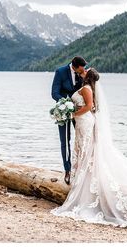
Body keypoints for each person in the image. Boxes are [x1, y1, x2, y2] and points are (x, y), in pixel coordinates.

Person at [51, 68, 127, 228]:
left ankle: (82, 185)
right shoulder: (86, 87)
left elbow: (89, 106)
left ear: (88, 76)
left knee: (85, 150)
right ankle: (80, 180)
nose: (82, 72)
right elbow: (90, 106)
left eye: (85, 71)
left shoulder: (86, 88)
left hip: (84, 122)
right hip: (82, 122)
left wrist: (72, 114)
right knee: (83, 150)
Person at [51, 56, 87, 185]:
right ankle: (67, 170)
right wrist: (66, 103)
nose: (82, 71)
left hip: (81, 113)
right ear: (74, 66)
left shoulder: (82, 72)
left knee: (82, 140)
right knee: (65, 141)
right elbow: (54, 93)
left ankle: (82, 170)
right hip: (64, 111)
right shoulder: (60, 72)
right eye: (80, 69)